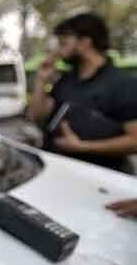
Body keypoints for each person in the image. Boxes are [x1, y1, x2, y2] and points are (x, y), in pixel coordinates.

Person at [27, 13, 137, 171]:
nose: (59, 49)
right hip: (58, 171)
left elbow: (135, 141)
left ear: (85, 43)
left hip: (99, 181)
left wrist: (82, 147)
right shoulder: (66, 80)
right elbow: (35, 116)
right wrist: (41, 80)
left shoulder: (123, 84)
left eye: (64, 42)